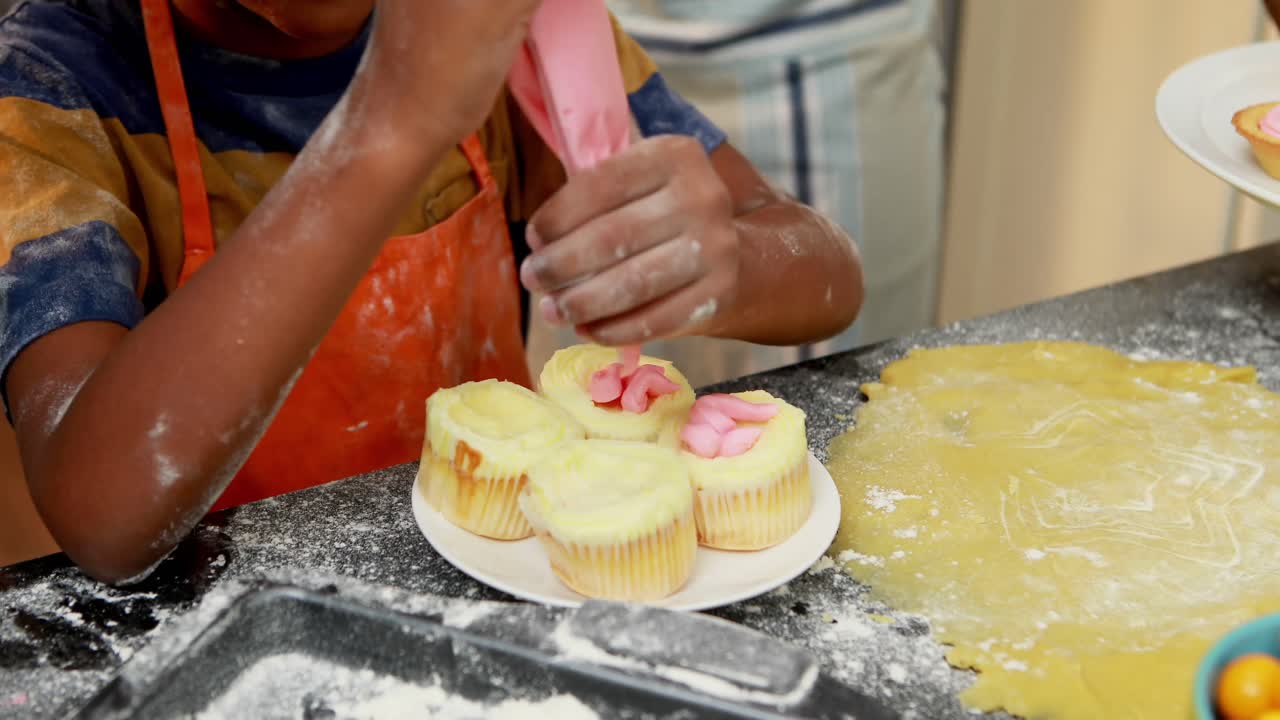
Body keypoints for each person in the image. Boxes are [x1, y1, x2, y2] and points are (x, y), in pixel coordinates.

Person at [0, 0, 862, 583]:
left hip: (490, 597)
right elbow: (102, 512)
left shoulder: (498, 31)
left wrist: (724, 263)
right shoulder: (50, 88)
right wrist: (392, 122)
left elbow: (828, 276)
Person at [530, 0, 944, 386]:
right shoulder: (532, 59)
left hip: (816, 43)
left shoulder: (575, 52)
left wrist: (739, 265)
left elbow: (835, 279)